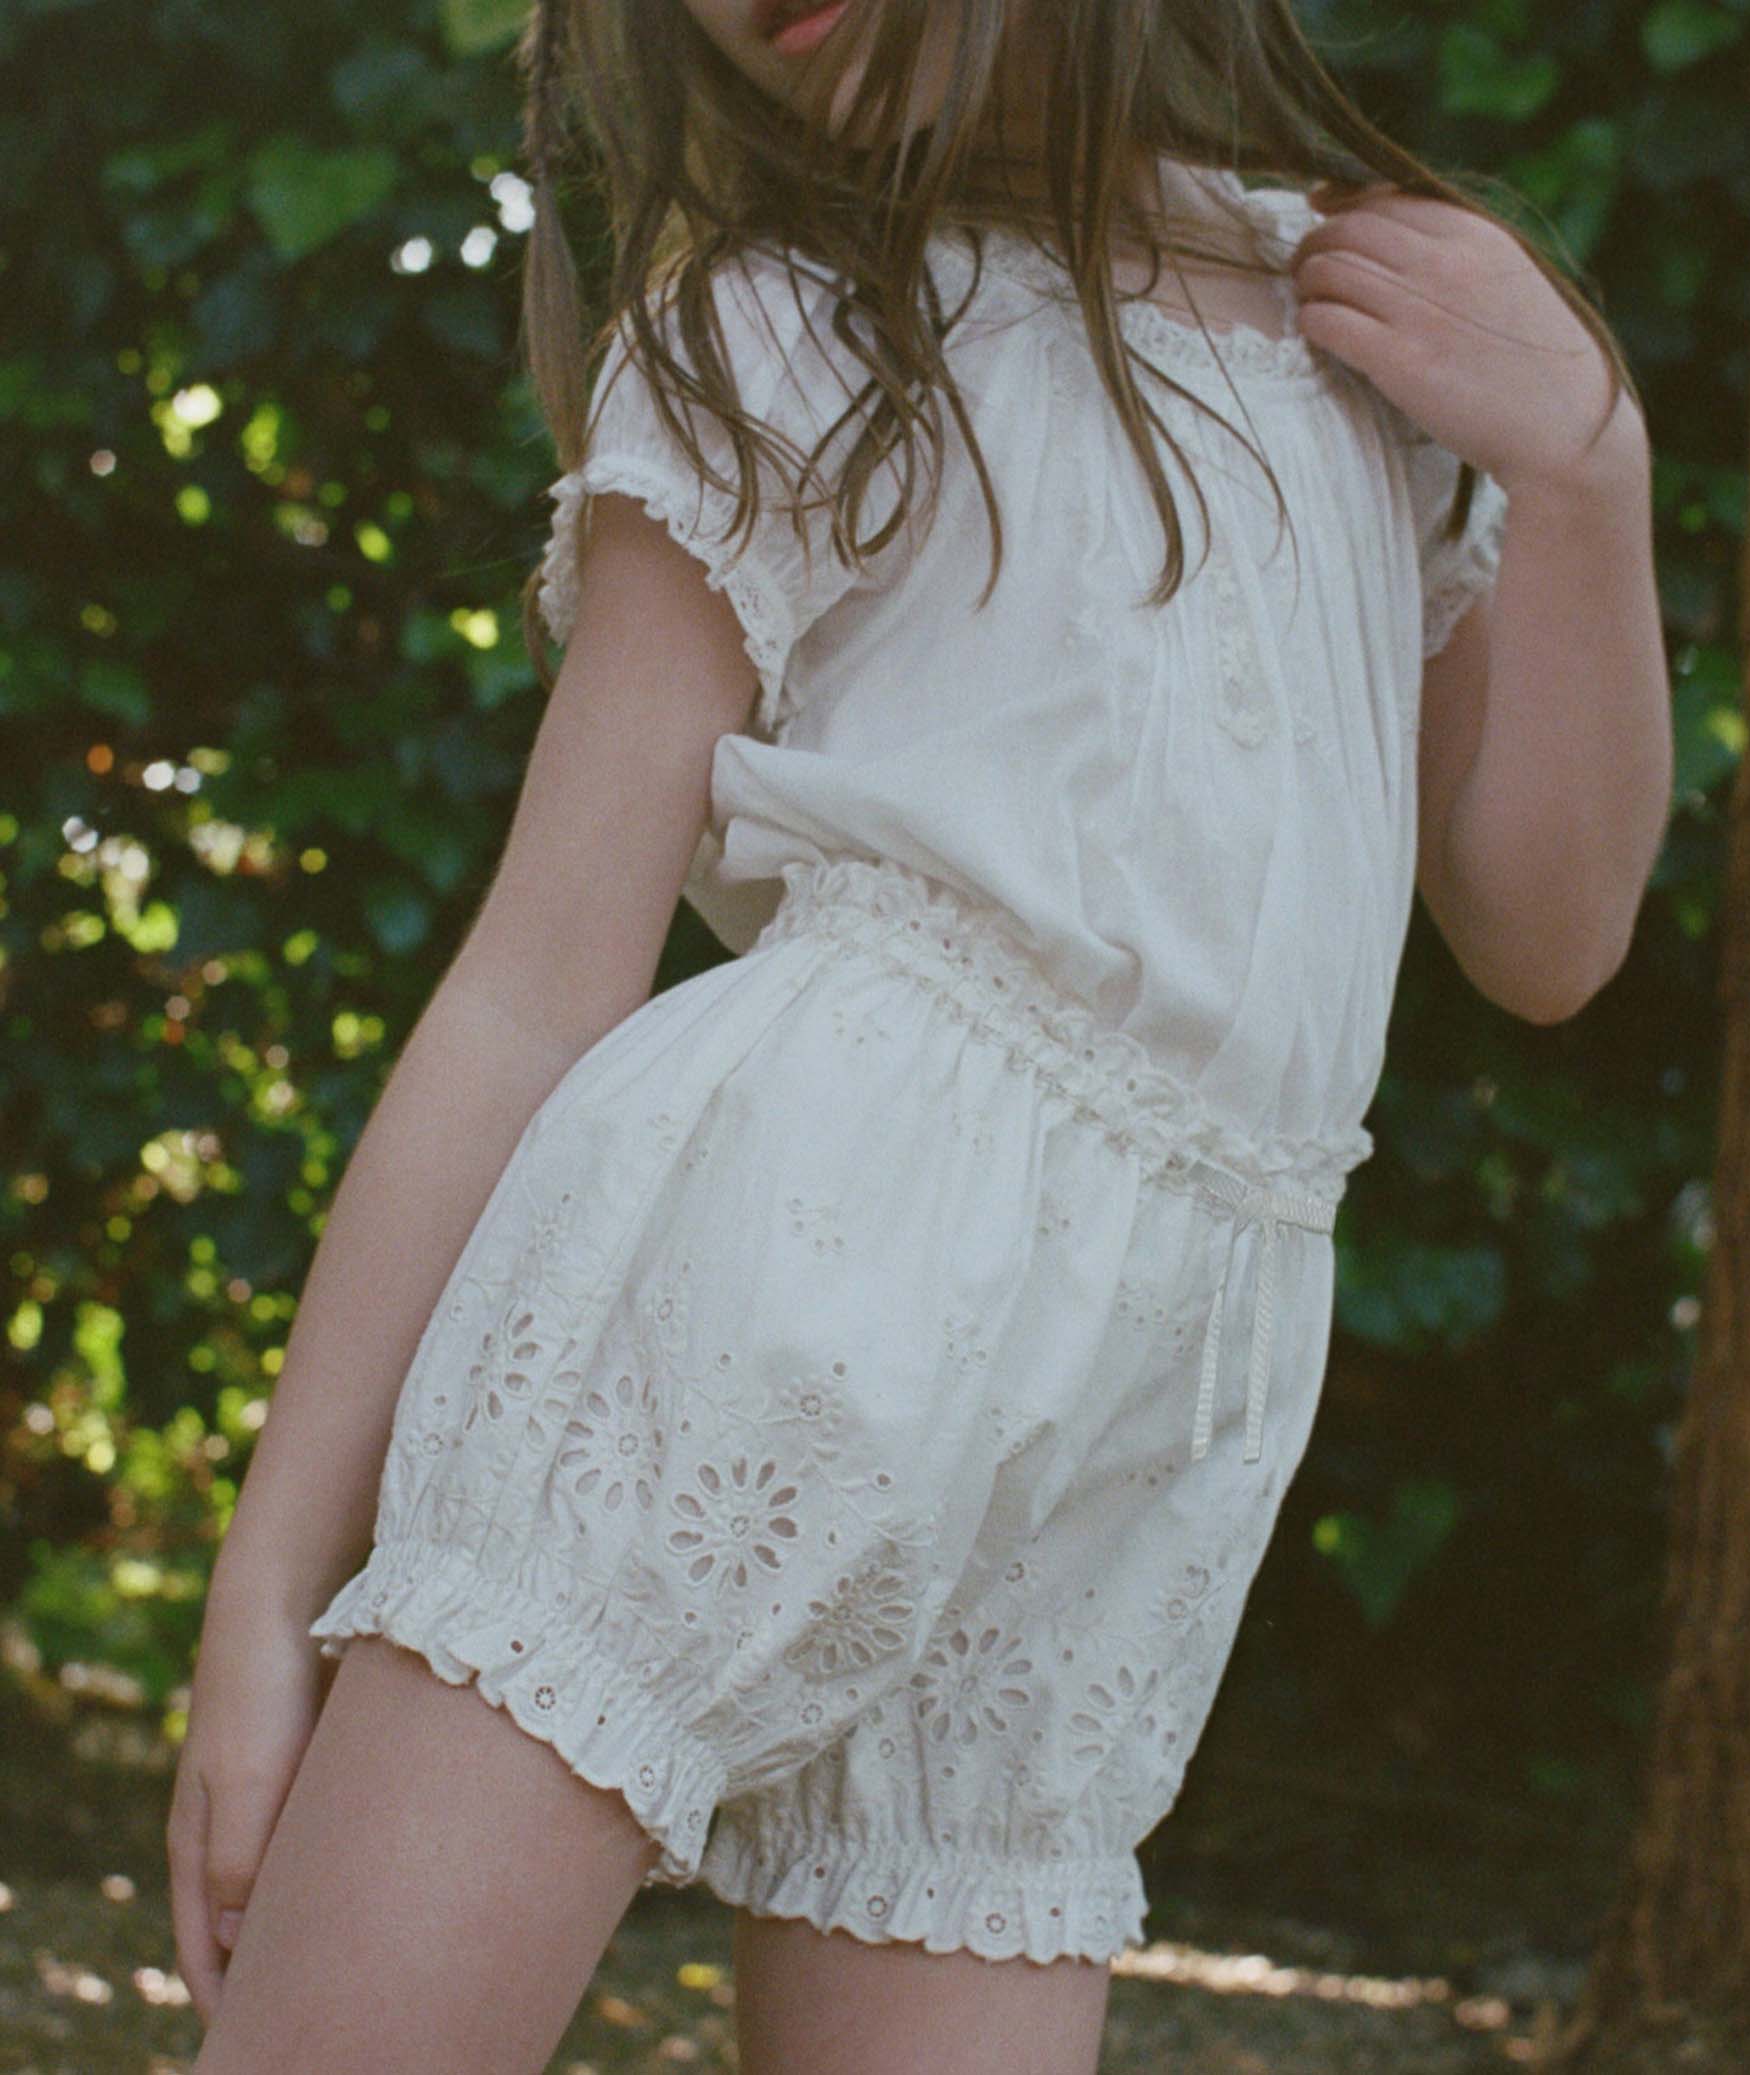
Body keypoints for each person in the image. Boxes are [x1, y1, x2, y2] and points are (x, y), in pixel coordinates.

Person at [166, 2, 1673, 2070]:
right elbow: (540, 975)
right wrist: (265, 1592)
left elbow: (1554, 930)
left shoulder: (1379, 326)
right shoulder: (797, 327)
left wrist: (1587, 465)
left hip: (1156, 1410)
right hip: (751, 1303)